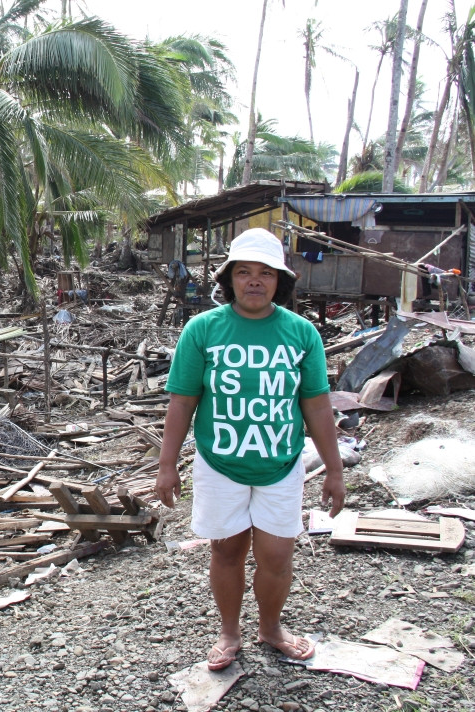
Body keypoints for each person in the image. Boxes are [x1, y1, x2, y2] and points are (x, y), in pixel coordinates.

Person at [155, 228, 345, 672]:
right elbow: (183, 401)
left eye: (265, 273)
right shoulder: (203, 329)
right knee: (226, 550)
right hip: (220, 464)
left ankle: (271, 628)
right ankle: (229, 632)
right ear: (230, 279)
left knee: (277, 555)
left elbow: (316, 404)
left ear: (281, 280)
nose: (255, 281)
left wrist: (334, 471)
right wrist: (167, 465)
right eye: (244, 272)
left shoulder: (301, 333)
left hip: (281, 464)